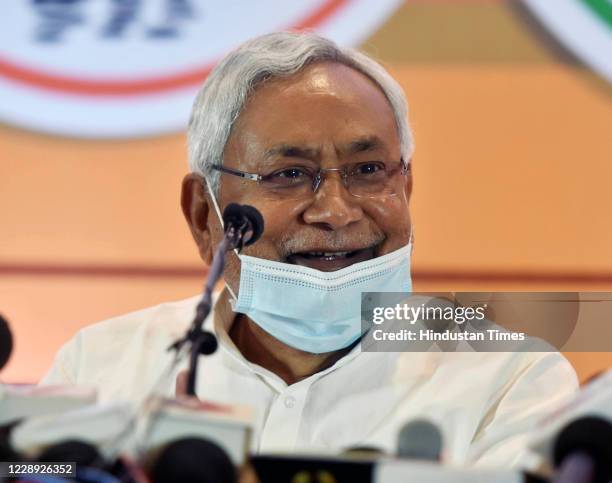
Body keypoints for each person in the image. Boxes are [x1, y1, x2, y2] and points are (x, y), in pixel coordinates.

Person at [42, 31, 578, 468]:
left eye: (368, 171)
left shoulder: (510, 379)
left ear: (406, 188)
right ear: (205, 216)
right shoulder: (100, 369)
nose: (336, 211)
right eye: (288, 174)